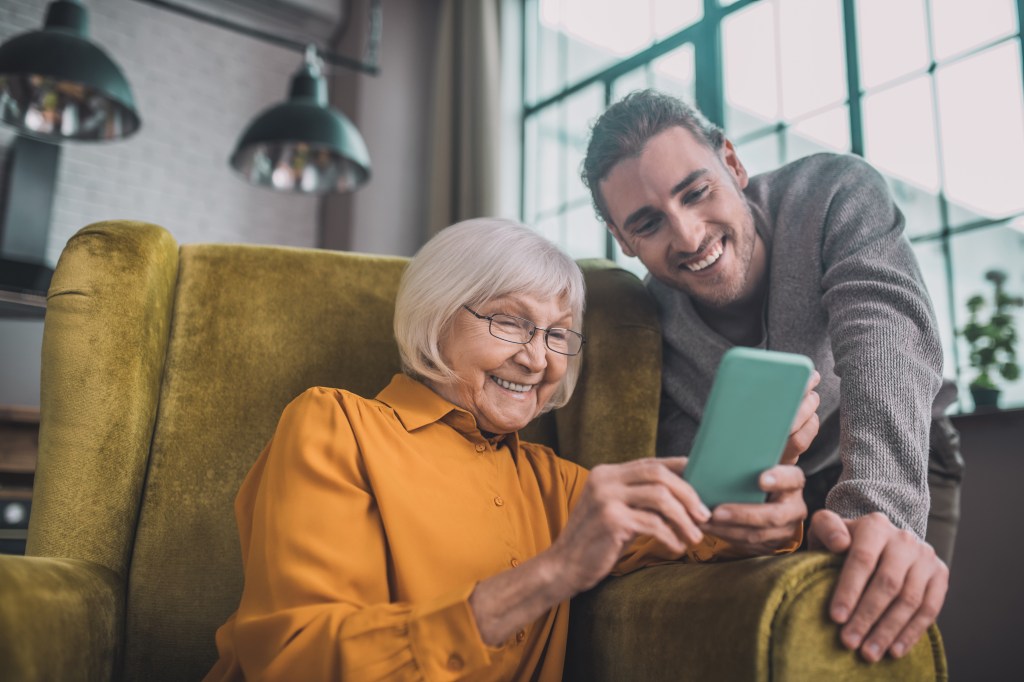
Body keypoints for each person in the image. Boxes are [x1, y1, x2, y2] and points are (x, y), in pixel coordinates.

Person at [203, 218, 816, 681]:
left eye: (557, 334)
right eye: (510, 322)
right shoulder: (336, 424)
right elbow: (297, 659)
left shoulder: (561, 485)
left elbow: (708, 533)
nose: (537, 358)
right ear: (435, 317)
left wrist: (771, 489)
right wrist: (553, 572)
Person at [580, 89, 959, 664]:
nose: (687, 236)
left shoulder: (834, 191)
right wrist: (740, 526)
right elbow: (698, 475)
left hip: (902, 454)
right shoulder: (645, 325)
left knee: (880, 643)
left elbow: (886, 338)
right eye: (649, 223)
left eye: (696, 192)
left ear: (732, 164)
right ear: (623, 240)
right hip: (777, 498)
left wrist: (876, 511)